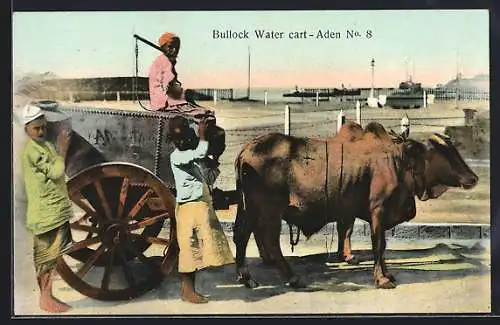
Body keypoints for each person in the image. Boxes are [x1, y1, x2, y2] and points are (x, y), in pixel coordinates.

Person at [168, 115, 234, 304]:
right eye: (177, 139)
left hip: (198, 205)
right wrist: (203, 136)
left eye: (184, 138)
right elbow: (199, 153)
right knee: (189, 250)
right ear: (172, 140)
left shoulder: (186, 153)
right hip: (189, 208)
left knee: (196, 249)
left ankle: (189, 291)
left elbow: (203, 164)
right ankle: (188, 292)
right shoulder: (177, 157)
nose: (180, 142)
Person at [22, 104, 73, 313]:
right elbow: (55, 172)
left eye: (43, 127)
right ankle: (45, 299)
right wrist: (63, 149)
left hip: (53, 210)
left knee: (51, 255)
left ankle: (47, 295)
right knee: (46, 256)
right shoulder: (33, 151)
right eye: (36, 128)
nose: (41, 131)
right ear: (27, 128)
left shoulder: (44, 146)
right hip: (45, 213)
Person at [148, 31, 226, 163]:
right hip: (166, 102)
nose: (174, 50)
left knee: (201, 111)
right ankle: (205, 147)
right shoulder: (165, 62)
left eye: (177, 47)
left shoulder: (164, 61)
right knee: (205, 114)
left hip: (164, 99)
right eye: (171, 47)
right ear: (163, 48)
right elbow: (168, 85)